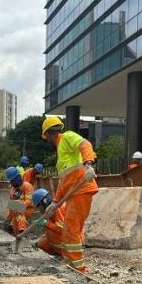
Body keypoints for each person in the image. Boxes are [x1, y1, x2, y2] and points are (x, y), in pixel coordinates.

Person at [41, 116, 98, 273]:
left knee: (70, 231)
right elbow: (63, 181)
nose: (49, 140)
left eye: (47, 137)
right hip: (74, 193)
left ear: (49, 134)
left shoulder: (67, 137)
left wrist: (88, 165)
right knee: (70, 230)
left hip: (81, 190)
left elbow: (85, 145)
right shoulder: (61, 153)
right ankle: (69, 264)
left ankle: (78, 269)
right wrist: (55, 202)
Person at [32, 188, 65, 256]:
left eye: (39, 206)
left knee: (50, 231)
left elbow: (61, 228)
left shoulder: (57, 209)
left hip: (69, 240)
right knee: (40, 245)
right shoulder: (51, 209)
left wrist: (46, 223)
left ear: (44, 202)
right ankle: (56, 250)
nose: (39, 209)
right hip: (63, 237)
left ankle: (62, 252)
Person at [5, 166, 34, 236]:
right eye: (11, 181)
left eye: (12, 180)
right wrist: (8, 219)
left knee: (16, 208)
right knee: (15, 230)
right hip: (16, 211)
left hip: (28, 209)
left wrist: (18, 204)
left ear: (17, 177)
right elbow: (11, 205)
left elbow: (30, 201)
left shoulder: (26, 186)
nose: (11, 182)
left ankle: (22, 230)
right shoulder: (13, 189)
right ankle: (17, 235)